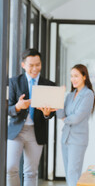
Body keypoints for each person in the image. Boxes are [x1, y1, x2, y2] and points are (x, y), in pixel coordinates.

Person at [7, 48, 56, 186]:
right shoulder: (14, 82)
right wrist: (18, 106)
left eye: (38, 64)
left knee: (31, 172)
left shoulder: (49, 85)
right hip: (17, 131)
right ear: (23, 65)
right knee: (10, 168)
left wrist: (47, 113)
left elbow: (51, 113)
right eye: (31, 65)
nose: (35, 68)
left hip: (36, 131)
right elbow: (8, 110)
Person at [56, 64, 95, 186]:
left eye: (76, 76)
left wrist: (65, 119)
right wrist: (59, 96)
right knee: (69, 172)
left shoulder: (88, 94)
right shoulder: (69, 95)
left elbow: (77, 117)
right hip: (66, 138)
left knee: (73, 171)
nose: (73, 79)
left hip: (78, 139)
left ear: (84, 77)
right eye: (71, 76)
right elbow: (60, 114)